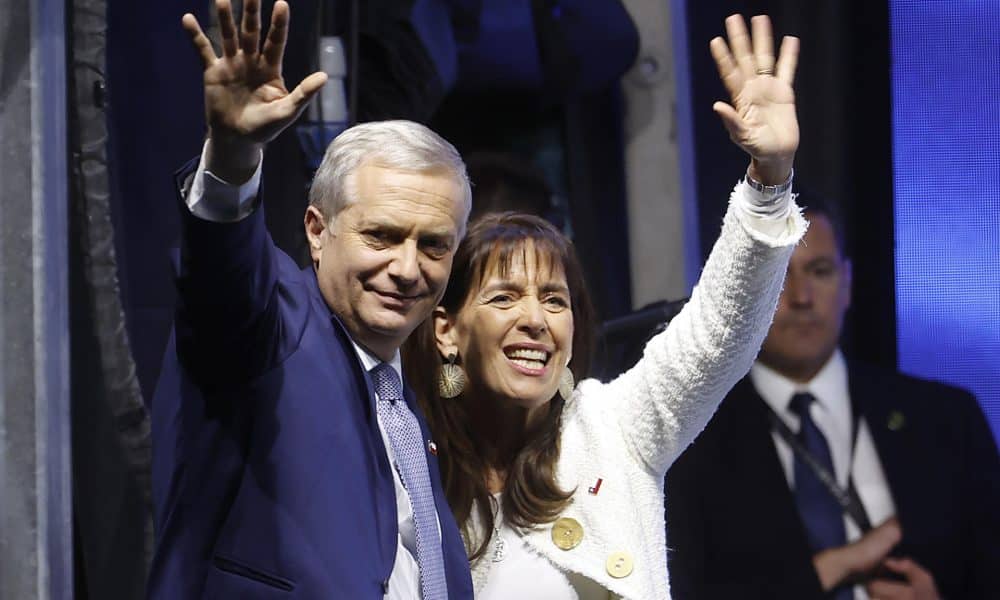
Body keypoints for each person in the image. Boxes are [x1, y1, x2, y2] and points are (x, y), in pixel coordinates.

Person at [402, 14, 807, 599]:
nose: (535, 320)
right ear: (446, 329)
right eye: (504, 297)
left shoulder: (613, 430)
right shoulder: (405, 460)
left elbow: (719, 331)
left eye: (554, 299)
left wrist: (769, 181)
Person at [148, 1, 474, 598]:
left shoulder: (403, 396)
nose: (407, 269)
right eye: (381, 236)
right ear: (317, 232)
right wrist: (233, 157)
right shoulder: (271, 327)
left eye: (433, 245)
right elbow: (223, 278)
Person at [664, 197, 1000, 599]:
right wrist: (832, 568)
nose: (802, 297)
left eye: (819, 271)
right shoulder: (693, 440)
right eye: (776, 275)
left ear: (847, 283)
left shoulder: (947, 420)